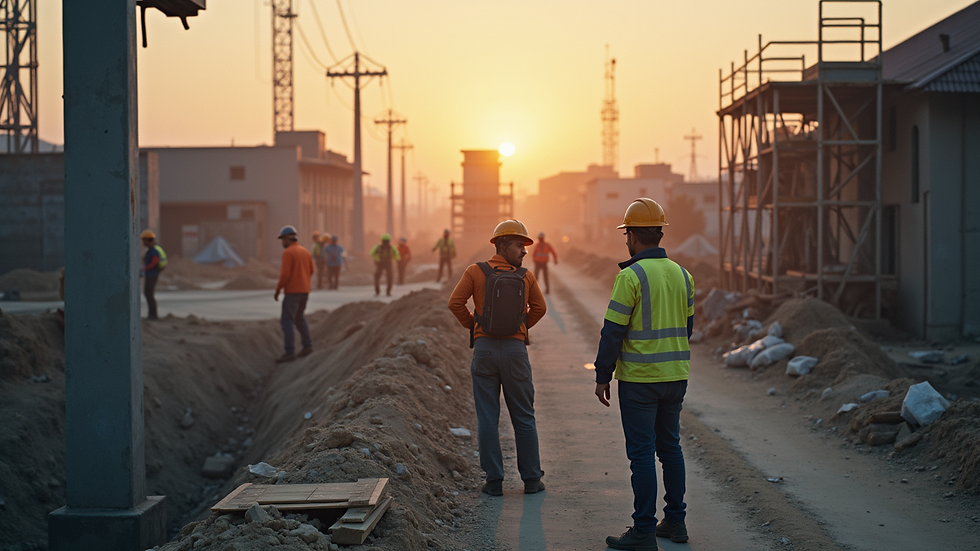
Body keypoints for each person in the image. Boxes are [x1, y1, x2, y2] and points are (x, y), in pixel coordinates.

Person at [593, 198, 694, 550]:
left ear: (633, 235)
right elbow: (688, 327)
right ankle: (676, 522)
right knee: (670, 448)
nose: (626, 240)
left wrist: (602, 374)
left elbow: (612, 332)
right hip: (676, 375)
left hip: (639, 380)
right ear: (660, 233)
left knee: (641, 454)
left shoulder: (630, 276)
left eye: (627, 234)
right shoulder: (684, 275)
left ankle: (643, 531)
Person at [447, 219, 547, 497]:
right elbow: (540, 307)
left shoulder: (475, 272)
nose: (525, 252)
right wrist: (521, 325)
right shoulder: (525, 277)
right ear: (502, 245)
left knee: (488, 417)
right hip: (515, 352)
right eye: (519, 246)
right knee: (524, 416)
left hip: (485, 351)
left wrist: (475, 326)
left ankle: (494, 482)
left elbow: (455, 303)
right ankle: (531, 480)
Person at [274, 225, 315, 363]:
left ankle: (289, 352)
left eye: (282, 239)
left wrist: (278, 289)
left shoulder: (289, 253)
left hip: (292, 292)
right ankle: (307, 346)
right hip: (305, 291)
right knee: (299, 318)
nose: (282, 243)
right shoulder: (305, 252)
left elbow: (285, 275)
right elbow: (312, 270)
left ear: (287, 238)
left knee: (287, 321)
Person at [139, 229, 167, 320]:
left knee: (148, 293)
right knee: (148, 294)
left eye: (144, 240)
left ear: (148, 240)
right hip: (151, 274)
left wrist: (145, 269)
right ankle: (152, 314)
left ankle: (153, 315)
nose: (143, 242)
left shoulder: (153, 250)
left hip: (152, 275)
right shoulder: (152, 249)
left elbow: (155, 261)